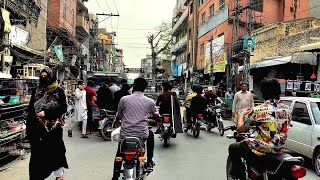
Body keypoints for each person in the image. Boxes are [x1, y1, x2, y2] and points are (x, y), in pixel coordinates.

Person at [228, 79, 291, 179]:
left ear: (263, 93)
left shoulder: (258, 110)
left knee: (233, 147)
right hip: (278, 149)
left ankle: (241, 176)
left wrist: (242, 115)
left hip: (261, 149)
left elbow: (240, 129)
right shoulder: (287, 110)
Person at [112, 78, 159, 180]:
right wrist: (158, 119)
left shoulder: (124, 99)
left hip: (125, 134)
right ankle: (149, 160)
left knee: (119, 152)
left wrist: (118, 121)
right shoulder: (149, 101)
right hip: (141, 134)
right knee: (151, 134)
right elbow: (156, 115)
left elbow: (119, 115)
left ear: (133, 86)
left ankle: (115, 176)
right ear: (145, 88)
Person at [26, 68, 68, 180]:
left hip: (54, 131)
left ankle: (59, 177)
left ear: (51, 77)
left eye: (46, 76)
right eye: (42, 76)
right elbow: (30, 111)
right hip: (38, 132)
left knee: (57, 157)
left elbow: (63, 108)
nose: (43, 78)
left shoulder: (59, 91)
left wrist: (47, 113)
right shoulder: (36, 91)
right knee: (37, 161)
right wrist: (29, 130)